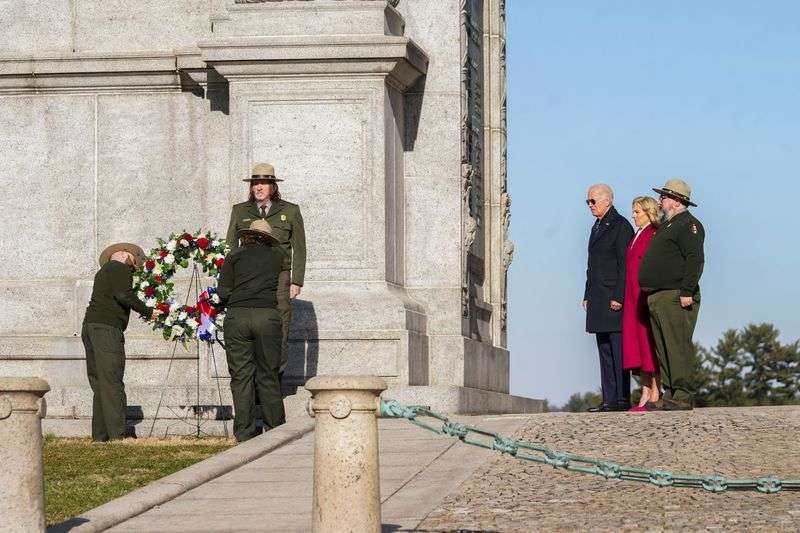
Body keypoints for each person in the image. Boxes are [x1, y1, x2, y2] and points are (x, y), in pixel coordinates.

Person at [226, 163, 306, 374]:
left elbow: (300, 248)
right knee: (250, 323)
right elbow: (231, 247)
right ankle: (252, 377)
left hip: (280, 277)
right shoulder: (240, 210)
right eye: (255, 183)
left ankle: (274, 375)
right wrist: (230, 278)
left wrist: (296, 280)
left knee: (280, 323)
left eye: (263, 183)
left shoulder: (290, 211)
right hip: (248, 277)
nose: (258, 188)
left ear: (273, 186)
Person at [82, 243, 161, 441]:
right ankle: (119, 435)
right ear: (127, 255)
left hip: (90, 327)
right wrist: (149, 311)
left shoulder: (104, 272)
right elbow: (124, 295)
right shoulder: (120, 268)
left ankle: (100, 436)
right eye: (135, 263)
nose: (134, 268)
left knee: (100, 383)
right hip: (107, 330)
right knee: (112, 379)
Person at [639, 179, 705, 411]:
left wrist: (687, 290)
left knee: (677, 345)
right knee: (664, 347)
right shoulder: (668, 225)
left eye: (664, 197)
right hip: (658, 296)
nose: (660, 201)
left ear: (677, 201)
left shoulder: (688, 224)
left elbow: (694, 259)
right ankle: (670, 393)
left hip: (675, 295)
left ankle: (683, 394)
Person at [218, 219, 286, 442]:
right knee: (268, 374)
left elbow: (224, 292)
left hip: (238, 316)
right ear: (267, 238)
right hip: (267, 315)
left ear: (246, 235)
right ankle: (275, 430)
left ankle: (245, 433)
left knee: (241, 376)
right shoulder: (277, 257)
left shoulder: (234, 256)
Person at [583, 184, 634, 411]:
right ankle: (609, 399)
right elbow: (592, 265)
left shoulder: (621, 226)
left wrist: (619, 296)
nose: (590, 206)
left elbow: (625, 265)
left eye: (593, 201)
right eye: (588, 202)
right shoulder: (596, 226)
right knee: (604, 348)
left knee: (618, 349)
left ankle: (622, 398)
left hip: (613, 297)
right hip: (597, 297)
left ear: (608, 201)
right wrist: (587, 294)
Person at [622, 196, 661, 412]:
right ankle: (645, 391)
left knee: (649, 344)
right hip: (631, 296)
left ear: (648, 212)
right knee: (637, 344)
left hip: (644, 295)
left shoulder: (653, 233)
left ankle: (656, 391)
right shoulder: (637, 235)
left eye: (637, 212)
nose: (634, 216)